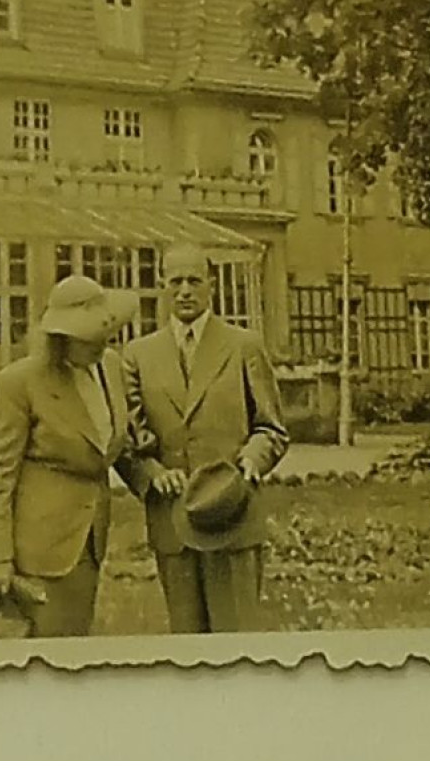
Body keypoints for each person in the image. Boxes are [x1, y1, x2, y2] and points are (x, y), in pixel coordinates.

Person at [122, 244, 289, 633]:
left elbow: (271, 427)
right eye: (175, 281)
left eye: (194, 281)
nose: (184, 291)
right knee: (187, 646)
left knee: (236, 640)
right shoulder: (138, 355)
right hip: (172, 521)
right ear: (162, 285)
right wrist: (152, 472)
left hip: (231, 513)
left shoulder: (243, 345)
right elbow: (129, 441)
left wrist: (252, 460)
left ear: (211, 286)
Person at [0, 274, 138, 638]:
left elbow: (115, 446)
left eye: (103, 335)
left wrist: (154, 479)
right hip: (41, 548)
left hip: (90, 536)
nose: (98, 345)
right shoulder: (21, 382)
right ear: (59, 338)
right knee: (45, 654)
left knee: (76, 642)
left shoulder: (111, 367)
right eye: (86, 339)